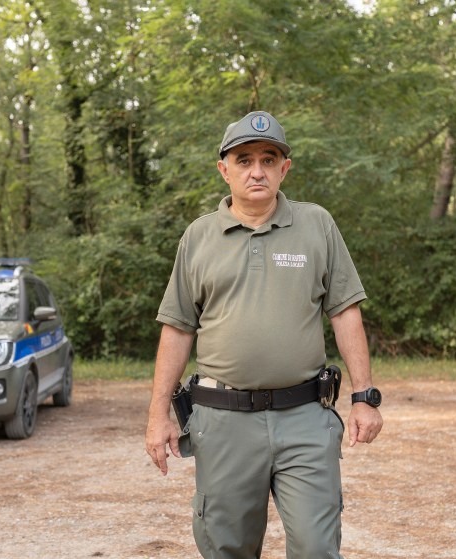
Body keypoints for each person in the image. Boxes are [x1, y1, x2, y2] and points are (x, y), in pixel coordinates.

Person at [145, 110, 383, 559]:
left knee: (317, 548)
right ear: (224, 170)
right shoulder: (198, 237)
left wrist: (364, 397)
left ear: (284, 168)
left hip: (305, 417)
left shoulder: (317, 225)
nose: (257, 171)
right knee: (226, 548)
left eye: (268, 160)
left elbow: (345, 311)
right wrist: (158, 414)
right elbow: (177, 328)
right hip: (223, 423)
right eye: (244, 160)